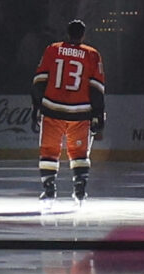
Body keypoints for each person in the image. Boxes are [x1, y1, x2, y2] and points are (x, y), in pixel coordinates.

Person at [32, 19, 105, 204]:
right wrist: (98, 114)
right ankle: (79, 190)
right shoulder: (92, 54)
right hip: (80, 112)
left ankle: (49, 190)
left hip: (53, 109)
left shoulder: (53, 49)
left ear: (67, 33)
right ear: (83, 35)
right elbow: (96, 88)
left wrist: (36, 107)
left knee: (49, 152)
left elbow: (40, 81)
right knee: (79, 154)